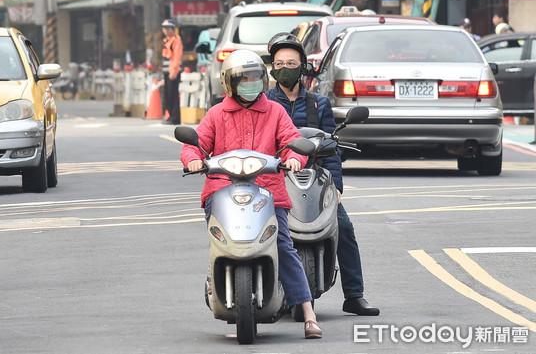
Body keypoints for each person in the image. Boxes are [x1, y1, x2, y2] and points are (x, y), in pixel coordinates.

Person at [180, 49, 323, 339]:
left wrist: (296, 157)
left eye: (256, 77)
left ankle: (308, 312)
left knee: (284, 246)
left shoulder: (275, 111)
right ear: (230, 82)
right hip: (221, 189)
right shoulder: (217, 113)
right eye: (244, 78)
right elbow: (195, 144)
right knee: (221, 242)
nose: (251, 82)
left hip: (269, 191)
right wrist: (193, 159)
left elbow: (292, 140)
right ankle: (215, 282)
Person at [264, 32, 380, 317]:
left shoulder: (319, 104)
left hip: (314, 176)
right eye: (279, 63)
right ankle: (263, 293)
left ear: (303, 66)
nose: (285, 68)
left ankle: (354, 294)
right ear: (271, 68)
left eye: (291, 62)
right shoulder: (264, 102)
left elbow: (332, 149)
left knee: (344, 226)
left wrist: (336, 188)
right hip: (275, 177)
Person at [160, 18, 183, 125]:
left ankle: (175, 118)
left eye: (168, 28)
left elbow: (177, 57)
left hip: (173, 73)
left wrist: (174, 71)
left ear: (173, 29)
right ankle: (170, 116)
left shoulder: (176, 40)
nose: (166, 30)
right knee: (168, 95)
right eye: (165, 28)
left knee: (173, 95)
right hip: (167, 73)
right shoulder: (166, 41)